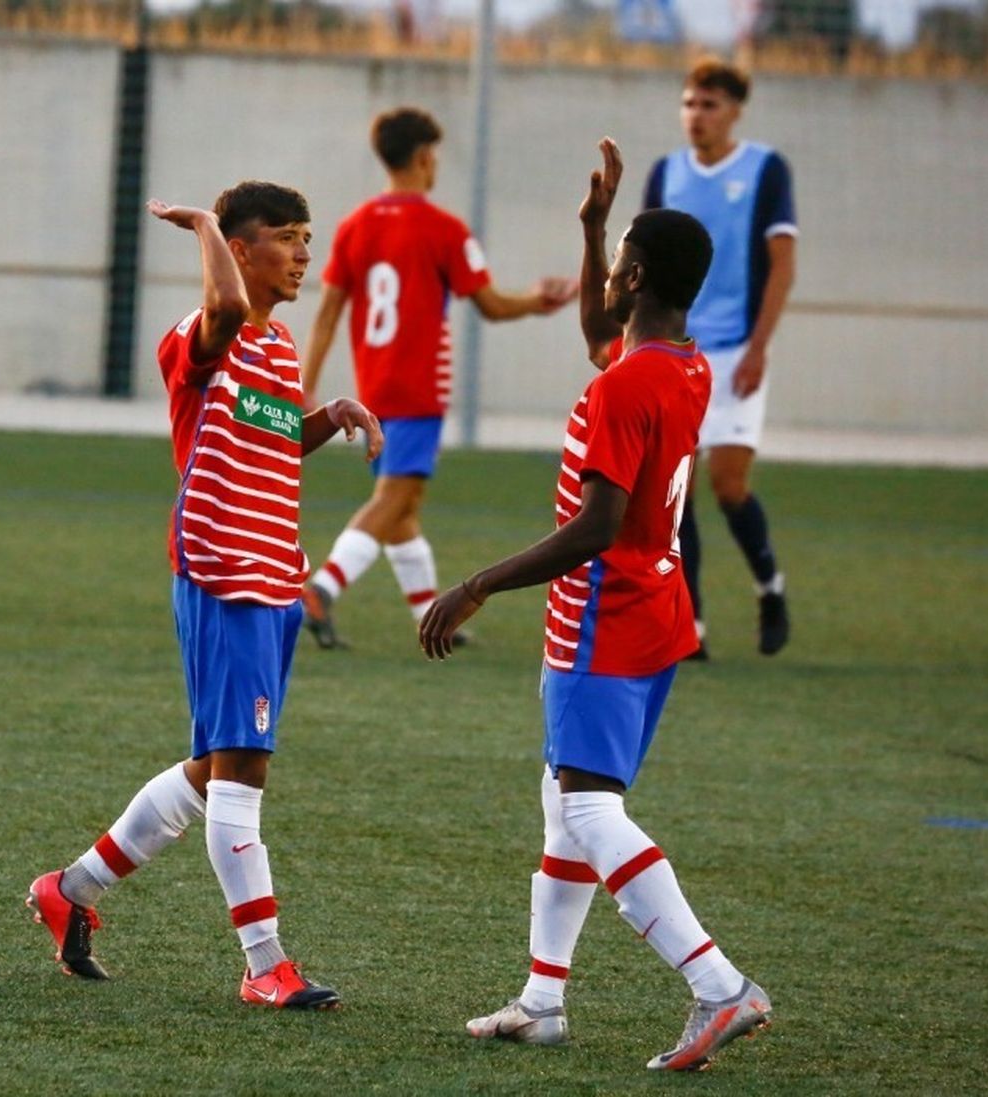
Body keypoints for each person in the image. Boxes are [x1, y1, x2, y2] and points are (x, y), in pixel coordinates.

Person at [421, 139, 771, 1073]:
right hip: (657, 612)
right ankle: (543, 999)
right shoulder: (679, 363)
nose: (607, 277)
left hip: (603, 614)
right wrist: (591, 229)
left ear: (641, 277)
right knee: (564, 801)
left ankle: (718, 983)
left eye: (618, 264)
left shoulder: (627, 384)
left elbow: (595, 527)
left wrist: (476, 584)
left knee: (586, 809)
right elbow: (598, 327)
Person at [26, 182, 383, 1009]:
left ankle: (69, 891)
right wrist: (200, 227)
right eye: (287, 238)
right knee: (242, 773)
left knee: (215, 764)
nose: (303, 254)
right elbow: (221, 304)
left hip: (274, 575)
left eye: (307, 237)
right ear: (241, 247)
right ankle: (266, 966)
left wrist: (329, 413)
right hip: (223, 572)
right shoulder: (202, 333)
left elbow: (277, 436)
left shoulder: (280, 345)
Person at [298, 106, 576, 649]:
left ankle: (430, 613)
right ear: (425, 158)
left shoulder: (356, 225)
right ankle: (320, 592)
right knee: (397, 496)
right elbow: (492, 305)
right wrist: (539, 303)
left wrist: (306, 382)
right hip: (421, 387)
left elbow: (329, 312)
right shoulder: (444, 229)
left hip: (375, 385)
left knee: (404, 508)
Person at [642, 57, 796, 660]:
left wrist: (759, 347)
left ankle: (770, 586)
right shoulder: (665, 174)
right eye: (688, 104)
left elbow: (782, 262)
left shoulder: (764, 169)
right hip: (677, 355)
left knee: (729, 485)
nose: (695, 116)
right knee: (675, 491)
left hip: (736, 355)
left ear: (734, 111)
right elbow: (645, 267)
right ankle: (693, 625)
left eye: (708, 105)